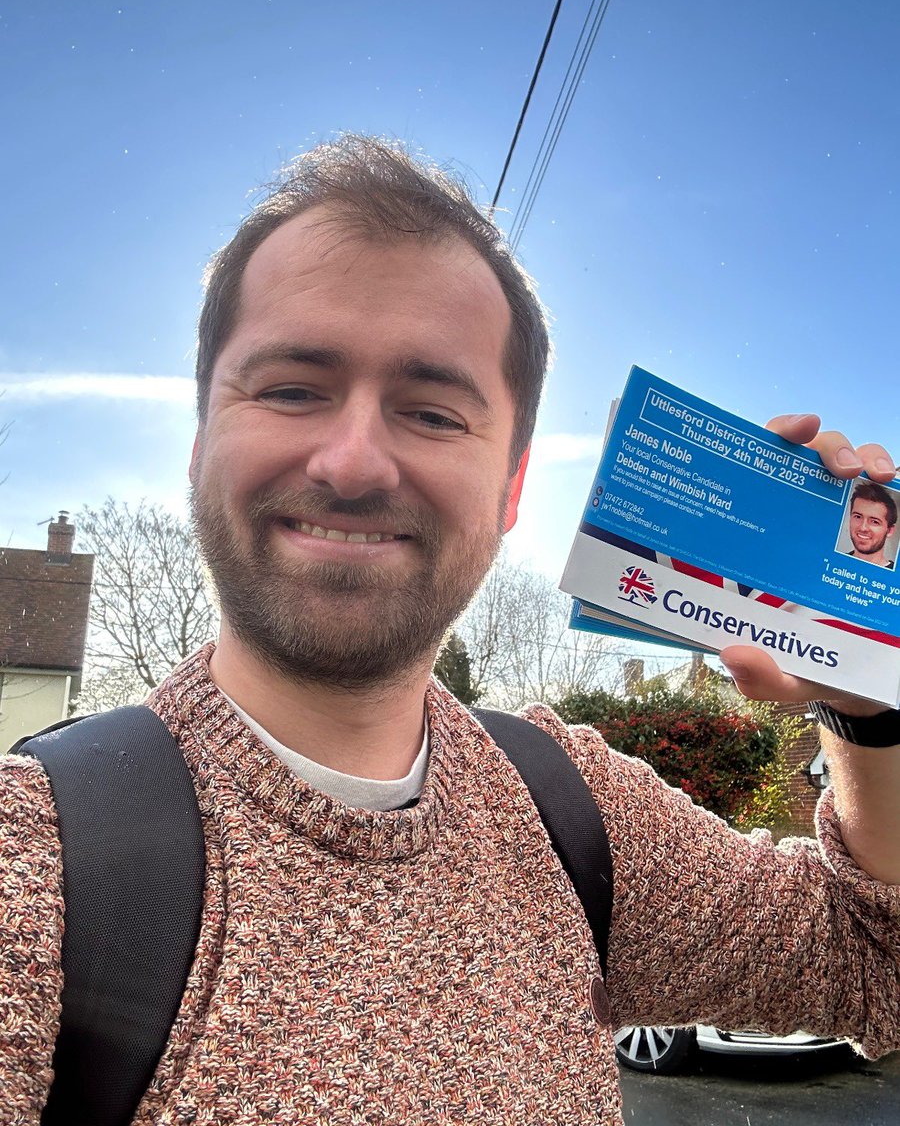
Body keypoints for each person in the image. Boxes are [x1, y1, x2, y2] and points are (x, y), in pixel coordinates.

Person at [3, 135, 900, 1126]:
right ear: (201, 443)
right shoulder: (30, 866)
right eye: (294, 389)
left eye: (430, 412)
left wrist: (868, 702)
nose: (353, 463)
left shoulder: (573, 812)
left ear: (512, 488)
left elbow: (878, 969)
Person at [847, 480, 898, 569]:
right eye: (858, 517)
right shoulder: (833, 560)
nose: (863, 528)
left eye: (874, 522)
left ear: (889, 530)